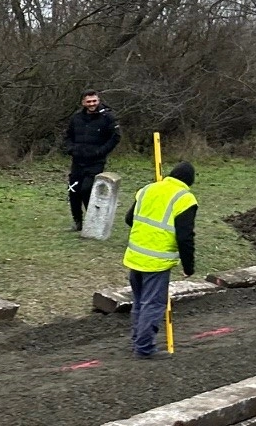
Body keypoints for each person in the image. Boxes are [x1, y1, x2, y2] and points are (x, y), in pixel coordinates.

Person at [122, 164, 198, 358]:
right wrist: (189, 267)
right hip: (157, 260)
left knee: (139, 302)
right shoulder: (185, 199)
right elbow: (185, 237)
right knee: (153, 304)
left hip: (135, 256)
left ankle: (138, 340)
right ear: (189, 182)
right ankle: (144, 348)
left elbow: (129, 219)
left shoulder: (148, 189)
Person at [61, 90, 122, 232]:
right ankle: (77, 222)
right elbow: (67, 136)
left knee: (87, 189)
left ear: (98, 100)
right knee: (74, 191)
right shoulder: (76, 118)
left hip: (96, 162)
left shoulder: (108, 117)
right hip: (77, 161)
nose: (92, 104)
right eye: (88, 101)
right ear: (83, 102)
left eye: (94, 101)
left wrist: (100, 152)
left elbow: (115, 138)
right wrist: (71, 149)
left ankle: (93, 221)